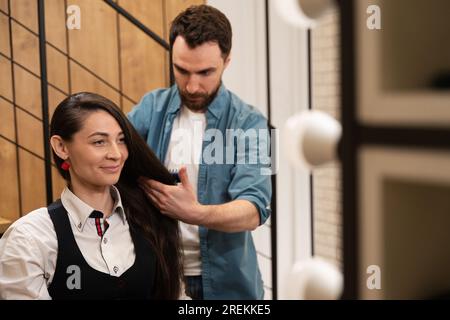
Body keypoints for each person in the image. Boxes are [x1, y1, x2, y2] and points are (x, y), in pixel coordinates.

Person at [128, 5, 272, 300]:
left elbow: (255, 209)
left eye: (206, 72)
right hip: (159, 275)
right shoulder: (150, 108)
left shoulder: (249, 122)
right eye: (181, 70)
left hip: (227, 285)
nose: (192, 86)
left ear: (227, 61)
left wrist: (194, 213)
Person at [0, 92, 183, 299]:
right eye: (99, 142)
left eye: (121, 140)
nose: (116, 154)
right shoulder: (30, 238)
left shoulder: (148, 220)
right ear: (61, 147)